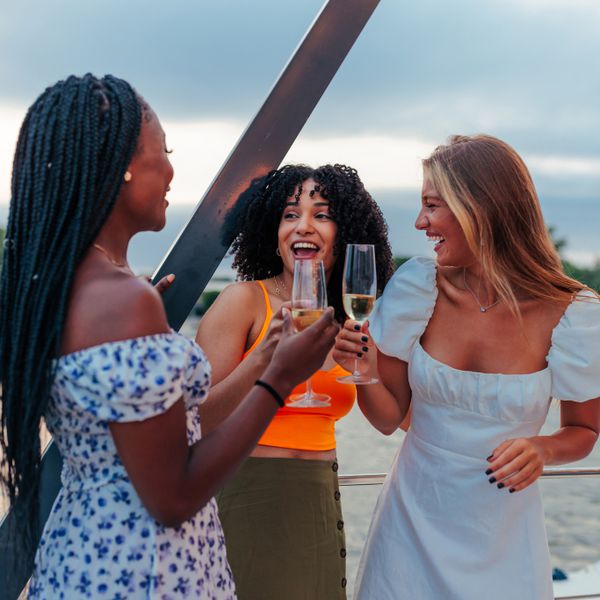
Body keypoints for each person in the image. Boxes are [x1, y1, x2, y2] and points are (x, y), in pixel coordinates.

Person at [0, 74, 339, 599]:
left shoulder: (64, 285)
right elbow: (173, 495)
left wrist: (259, 359)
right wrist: (279, 379)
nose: (172, 170)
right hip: (144, 569)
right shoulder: (121, 302)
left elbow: (164, 431)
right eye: (164, 150)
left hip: (83, 552)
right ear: (123, 167)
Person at [334, 134, 600, 600]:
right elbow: (387, 418)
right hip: (410, 528)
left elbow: (583, 431)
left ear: (480, 208)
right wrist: (364, 368)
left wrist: (543, 449)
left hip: (504, 541)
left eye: (432, 206)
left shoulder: (574, 314)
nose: (420, 222)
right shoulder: (418, 286)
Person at [195, 164, 394, 599]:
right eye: (289, 214)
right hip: (246, 494)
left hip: (320, 498)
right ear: (273, 229)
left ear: (346, 230)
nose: (303, 226)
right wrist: (269, 362)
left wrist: (368, 366)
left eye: (321, 214)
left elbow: (384, 422)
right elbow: (197, 420)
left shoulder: (352, 315)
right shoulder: (244, 301)